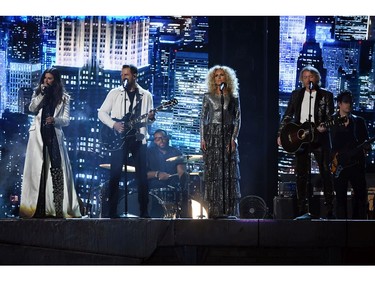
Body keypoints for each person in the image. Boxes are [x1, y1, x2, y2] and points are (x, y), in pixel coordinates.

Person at [19, 67, 82, 218]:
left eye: (50, 79)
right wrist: (41, 93)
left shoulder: (64, 98)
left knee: (56, 170)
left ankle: (58, 208)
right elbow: (32, 108)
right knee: (39, 171)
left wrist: (55, 120)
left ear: (56, 81)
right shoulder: (39, 93)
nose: (46, 81)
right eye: (45, 78)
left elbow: (66, 120)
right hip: (38, 135)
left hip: (54, 135)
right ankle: (38, 208)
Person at [277, 65, 334, 219]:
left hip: (319, 138)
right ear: (302, 80)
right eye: (306, 77)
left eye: (312, 76)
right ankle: (302, 209)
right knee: (301, 174)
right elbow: (288, 115)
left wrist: (324, 127)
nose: (309, 79)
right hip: (300, 139)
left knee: (325, 171)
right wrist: (281, 134)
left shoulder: (326, 95)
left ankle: (329, 209)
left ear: (317, 78)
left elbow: (330, 117)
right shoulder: (296, 95)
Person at [98, 64, 155, 218]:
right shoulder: (115, 93)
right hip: (119, 139)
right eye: (122, 74)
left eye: (126, 74)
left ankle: (144, 211)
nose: (123, 77)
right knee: (115, 174)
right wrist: (114, 124)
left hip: (137, 139)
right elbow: (102, 113)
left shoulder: (146, 95)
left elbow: (148, 121)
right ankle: (112, 212)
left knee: (141, 176)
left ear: (135, 76)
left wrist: (151, 118)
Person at [200, 65, 241, 219]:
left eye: (222, 75)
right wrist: (202, 138)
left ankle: (228, 210)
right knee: (214, 172)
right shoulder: (208, 96)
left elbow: (238, 118)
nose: (219, 78)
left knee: (228, 172)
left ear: (227, 78)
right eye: (216, 75)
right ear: (213, 79)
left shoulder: (233, 96)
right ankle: (215, 210)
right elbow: (203, 118)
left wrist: (233, 138)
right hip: (212, 135)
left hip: (228, 134)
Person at [329, 90, 371, 219]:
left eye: (350, 102)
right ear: (339, 104)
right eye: (346, 102)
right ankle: (341, 230)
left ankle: (357, 229)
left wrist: (365, 148)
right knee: (340, 198)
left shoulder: (359, 121)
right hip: (339, 165)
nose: (349, 105)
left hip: (356, 164)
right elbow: (330, 143)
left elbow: (366, 142)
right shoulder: (331, 122)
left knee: (360, 196)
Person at [147, 129, 188, 218]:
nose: (161, 141)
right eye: (157, 139)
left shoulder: (176, 152)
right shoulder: (149, 153)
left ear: (168, 138)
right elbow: (143, 174)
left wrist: (183, 178)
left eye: (163, 138)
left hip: (172, 188)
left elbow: (181, 171)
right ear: (154, 141)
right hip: (154, 190)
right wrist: (157, 174)